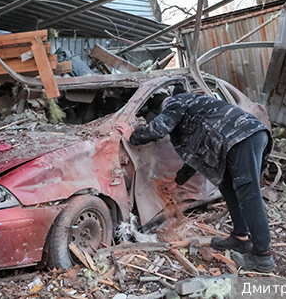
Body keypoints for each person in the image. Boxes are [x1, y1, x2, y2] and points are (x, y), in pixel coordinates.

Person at [116, 88, 275, 272]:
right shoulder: (194, 112)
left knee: (249, 195)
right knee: (228, 186)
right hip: (239, 139)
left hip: (243, 138)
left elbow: (159, 128)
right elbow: (197, 154)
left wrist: (132, 135)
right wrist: (179, 181)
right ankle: (240, 238)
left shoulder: (177, 102)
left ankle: (262, 256)